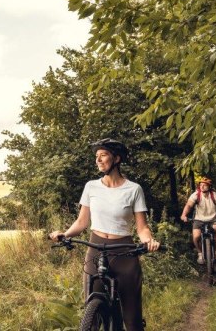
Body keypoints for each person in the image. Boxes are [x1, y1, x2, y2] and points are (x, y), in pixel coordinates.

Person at [49, 138, 160, 331]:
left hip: (124, 253)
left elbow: (142, 227)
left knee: (132, 320)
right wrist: (65, 234)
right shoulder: (91, 186)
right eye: (96, 156)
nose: (98, 160)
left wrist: (148, 241)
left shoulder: (134, 189)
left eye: (103, 155)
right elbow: (82, 222)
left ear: (116, 159)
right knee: (91, 316)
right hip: (96, 249)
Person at [179, 176, 216, 263]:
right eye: (201, 185)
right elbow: (188, 205)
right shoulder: (196, 195)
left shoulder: (215, 195)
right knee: (196, 237)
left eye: (205, 185)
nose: (202, 187)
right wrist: (184, 215)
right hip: (199, 219)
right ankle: (200, 253)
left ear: (209, 186)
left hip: (213, 219)